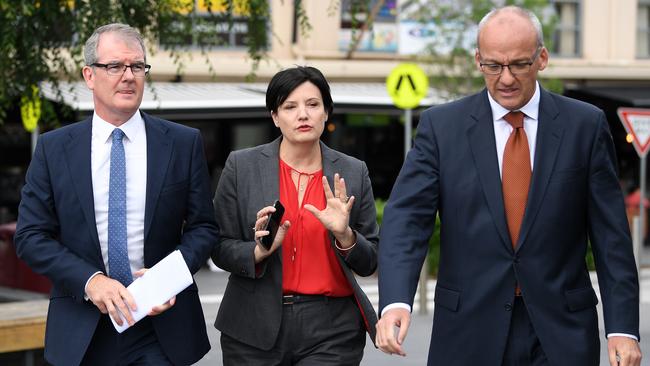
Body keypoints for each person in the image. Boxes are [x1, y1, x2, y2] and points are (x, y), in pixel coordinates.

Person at [375, 6, 641, 366]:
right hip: (468, 329)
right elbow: (406, 219)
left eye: (519, 64)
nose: (506, 78)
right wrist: (395, 301)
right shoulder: (442, 127)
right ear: (478, 61)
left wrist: (623, 328)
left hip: (561, 331)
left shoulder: (585, 126)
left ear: (542, 58)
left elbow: (611, 236)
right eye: (493, 66)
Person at [14, 23, 218, 366]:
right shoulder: (54, 149)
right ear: (89, 75)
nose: (128, 76)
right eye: (115, 66)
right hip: (82, 327)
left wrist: (166, 280)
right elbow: (31, 236)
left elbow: (204, 229)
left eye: (137, 66)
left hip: (160, 328)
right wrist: (91, 281)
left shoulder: (182, 143)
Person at [212, 66, 379, 365]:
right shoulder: (241, 167)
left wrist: (346, 236)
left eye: (313, 104)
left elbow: (371, 261)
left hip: (332, 328)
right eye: (290, 106)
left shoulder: (354, 171)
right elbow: (218, 246)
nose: (303, 114)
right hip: (253, 322)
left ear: (326, 112)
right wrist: (258, 251)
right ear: (275, 117)